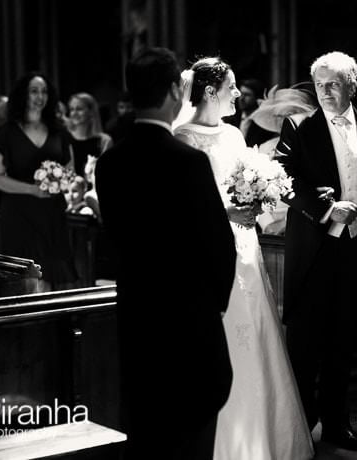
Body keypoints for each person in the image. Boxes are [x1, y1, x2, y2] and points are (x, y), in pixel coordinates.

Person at [95, 47, 236, 460]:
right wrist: (216, 307)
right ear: (176, 90)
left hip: (137, 325)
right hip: (188, 329)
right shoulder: (187, 161)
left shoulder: (110, 163)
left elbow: (118, 239)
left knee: (146, 439)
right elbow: (218, 245)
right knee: (191, 443)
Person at [174, 56, 314, 460]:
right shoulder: (183, 138)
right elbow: (188, 207)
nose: (237, 94)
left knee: (257, 328)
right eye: (231, 87)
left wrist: (261, 195)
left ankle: (268, 436)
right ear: (210, 92)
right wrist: (229, 212)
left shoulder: (235, 135)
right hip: (212, 251)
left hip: (246, 246)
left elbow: (241, 185)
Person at [276, 51, 357, 452]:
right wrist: (325, 208)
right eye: (321, 84)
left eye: (335, 83)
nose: (326, 91)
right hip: (315, 249)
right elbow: (284, 181)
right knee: (306, 344)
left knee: (345, 340)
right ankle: (302, 424)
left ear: (352, 85)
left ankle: (337, 423)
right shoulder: (297, 126)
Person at [0, 71, 78, 291]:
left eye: (44, 91)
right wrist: (32, 189)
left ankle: (51, 324)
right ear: (23, 95)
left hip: (51, 212)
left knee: (51, 279)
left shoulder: (59, 131)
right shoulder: (7, 132)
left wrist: (59, 182)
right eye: (34, 91)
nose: (40, 96)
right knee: (27, 281)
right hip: (20, 214)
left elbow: (70, 168)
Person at [250, 85, 317, 235]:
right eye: (280, 116)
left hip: (305, 224)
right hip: (269, 229)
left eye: (290, 115)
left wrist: (286, 223)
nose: (284, 121)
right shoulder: (265, 148)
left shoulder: (314, 150)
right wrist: (267, 224)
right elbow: (254, 191)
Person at [67, 93, 113, 178]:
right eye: (72, 109)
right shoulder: (65, 138)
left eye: (79, 109)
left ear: (91, 112)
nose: (74, 113)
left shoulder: (104, 141)